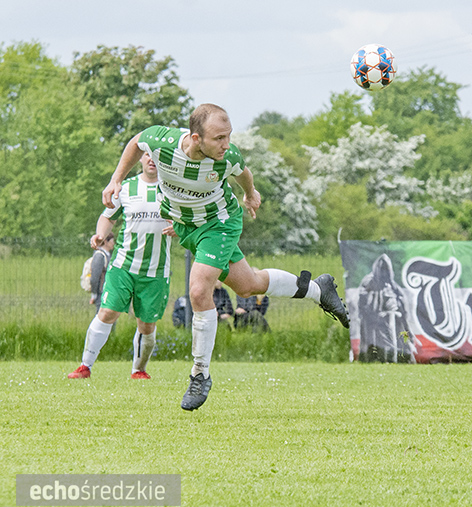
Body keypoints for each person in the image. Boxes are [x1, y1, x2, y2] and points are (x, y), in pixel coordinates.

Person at [101, 103, 350, 411]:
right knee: (248, 285)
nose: (226, 144)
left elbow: (244, 173)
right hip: (187, 226)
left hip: (219, 224)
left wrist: (249, 194)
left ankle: (199, 374)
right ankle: (319, 290)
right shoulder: (163, 143)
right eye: (219, 138)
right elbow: (136, 142)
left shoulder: (226, 158)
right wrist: (116, 179)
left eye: (228, 136)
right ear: (195, 138)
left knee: (198, 289)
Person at [69, 153, 174, 380]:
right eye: (147, 153)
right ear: (139, 158)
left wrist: (180, 227)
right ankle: (85, 366)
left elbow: (190, 219)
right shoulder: (126, 188)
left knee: (147, 325)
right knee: (107, 312)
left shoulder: (173, 190)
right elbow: (108, 216)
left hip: (156, 271)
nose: (152, 158)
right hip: (123, 266)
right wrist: (100, 234)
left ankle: (139, 369)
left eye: (156, 154)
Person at [88, 233, 115, 313]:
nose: (113, 243)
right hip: (102, 293)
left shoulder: (108, 255)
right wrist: (94, 294)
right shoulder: (100, 256)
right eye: (112, 241)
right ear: (106, 242)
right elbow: (94, 278)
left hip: (109, 292)